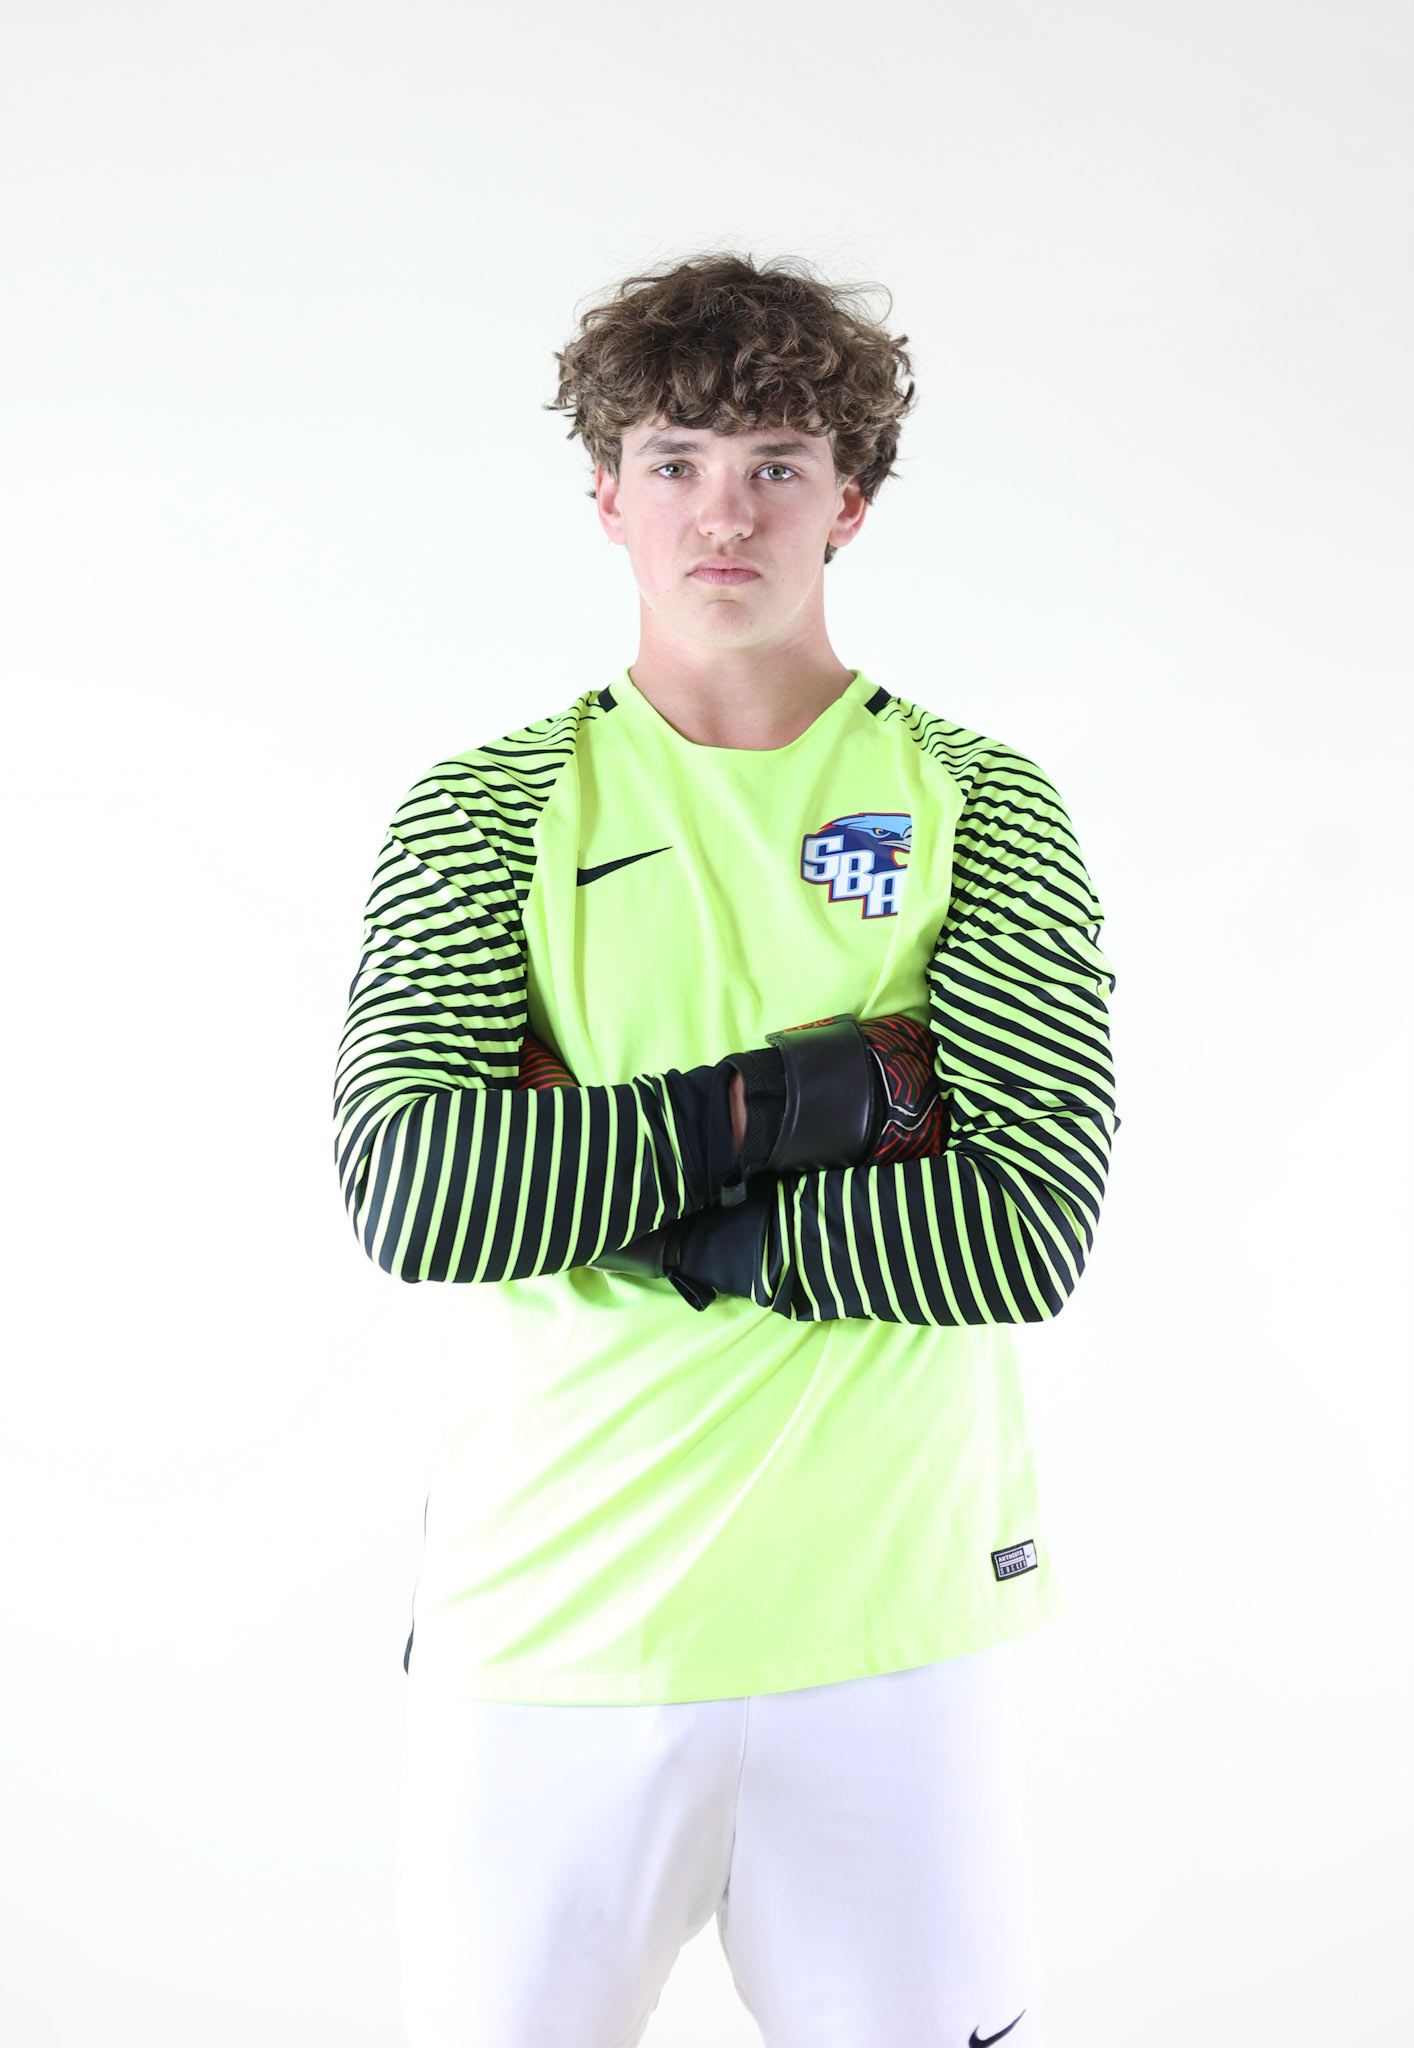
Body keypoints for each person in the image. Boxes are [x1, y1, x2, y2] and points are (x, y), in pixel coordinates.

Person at [332, 250, 1121, 2048]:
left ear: (850, 501)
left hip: (896, 1639)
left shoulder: (979, 803)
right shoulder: (488, 804)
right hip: (547, 1634)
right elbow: (424, 1188)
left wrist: (625, 1180)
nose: (724, 512)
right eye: (676, 459)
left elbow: (1018, 1233)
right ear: (604, 496)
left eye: (776, 462)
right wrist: (826, 1101)